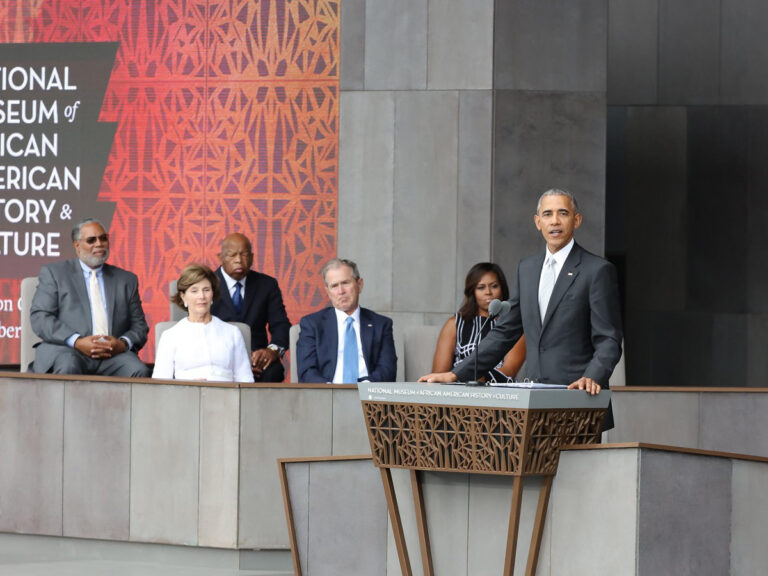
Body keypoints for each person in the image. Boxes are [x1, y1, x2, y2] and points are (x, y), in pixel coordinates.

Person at [420, 189, 623, 429]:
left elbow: (609, 338)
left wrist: (593, 375)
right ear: (538, 222)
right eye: (547, 214)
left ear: (576, 220)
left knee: (577, 468)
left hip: (578, 399)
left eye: (563, 213)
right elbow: (506, 331)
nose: (555, 221)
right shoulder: (527, 268)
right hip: (534, 404)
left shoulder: (597, 270)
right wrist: (457, 374)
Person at [30, 218, 151, 377]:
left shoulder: (126, 280)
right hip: (68, 350)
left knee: (139, 371)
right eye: (91, 240)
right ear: (77, 245)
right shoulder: (55, 273)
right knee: (68, 366)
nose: (99, 244)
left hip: (113, 355)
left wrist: (121, 344)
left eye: (103, 238)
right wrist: (77, 341)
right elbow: (41, 317)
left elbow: (139, 326)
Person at [297, 258, 397, 383]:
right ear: (328, 292)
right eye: (334, 286)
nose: (341, 291)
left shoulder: (381, 324)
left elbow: (387, 369)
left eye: (345, 283)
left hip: (368, 396)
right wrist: (330, 393)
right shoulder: (312, 324)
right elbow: (306, 371)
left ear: (359, 285)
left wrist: (364, 389)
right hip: (326, 397)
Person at [153, 264, 253, 382]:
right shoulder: (170, 336)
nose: (201, 296)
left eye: (206, 290)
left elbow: (245, 378)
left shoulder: (232, 332)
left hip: (227, 396)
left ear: (212, 295)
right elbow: (160, 383)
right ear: (183, 297)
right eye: (194, 291)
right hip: (186, 396)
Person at [210, 233, 290, 382]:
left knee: (274, 372)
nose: (239, 260)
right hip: (216, 357)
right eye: (232, 255)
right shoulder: (207, 285)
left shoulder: (267, 285)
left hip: (256, 358)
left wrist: (271, 351)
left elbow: (281, 325)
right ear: (220, 257)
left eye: (244, 255)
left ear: (252, 257)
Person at [432, 262, 526, 382]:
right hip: (459, 390)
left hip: (499, 391)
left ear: (502, 288)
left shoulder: (514, 325)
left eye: (494, 286)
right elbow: (439, 372)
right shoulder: (455, 324)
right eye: (481, 287)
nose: (488, 292)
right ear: (472, 292)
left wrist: (478, 379)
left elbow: (509, 370)